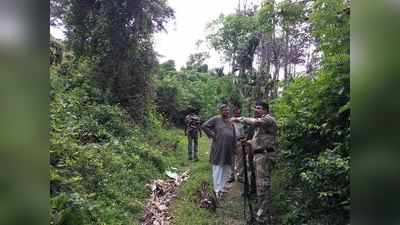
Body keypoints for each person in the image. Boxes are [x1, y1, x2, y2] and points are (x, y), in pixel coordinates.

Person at [231, 101, 278, 225]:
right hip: (259, 156)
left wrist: (238, 119)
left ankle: (263, 218)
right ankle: (261, 214)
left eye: (259, 108)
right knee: (259, 187)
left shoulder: (268, 119)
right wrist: (248, 142)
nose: (256, 110)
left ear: (265, 110)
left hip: (265, 156)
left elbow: (255, 122)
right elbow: (259, 140)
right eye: (255, 108)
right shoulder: (261, 123)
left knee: (263, 186)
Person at [201, 104, 236, 199]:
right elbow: (204, 126)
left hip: (228, 150)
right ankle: (217, 190)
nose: (227, 112)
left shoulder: (231, 122)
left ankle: (222, 188)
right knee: (217, 169)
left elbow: (234, 134)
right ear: (220, 111)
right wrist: (213, 135)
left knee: (227, 169)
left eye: (228, 110)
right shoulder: (216, 119)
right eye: (224, 110)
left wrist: (234, 147)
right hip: (218, 148)